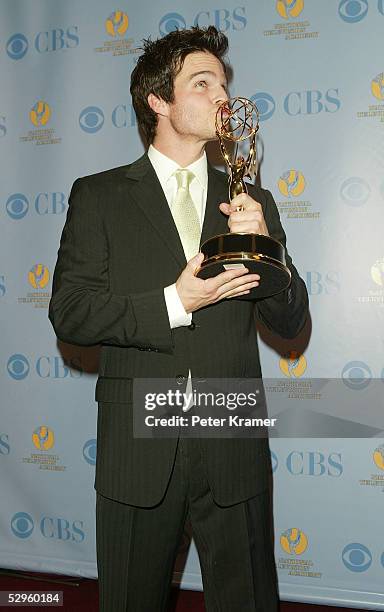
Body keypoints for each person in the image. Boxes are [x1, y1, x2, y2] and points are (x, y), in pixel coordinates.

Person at [49, 26, 308, 612]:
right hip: (140, 447)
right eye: (202, 81)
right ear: (158, 101)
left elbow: (292, 322)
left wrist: (266, 250)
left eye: (224, 81)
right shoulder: (99, 196)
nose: (222, 94)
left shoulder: (252, 201)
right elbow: (70, 312)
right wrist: (174, 303)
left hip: (231, 442)